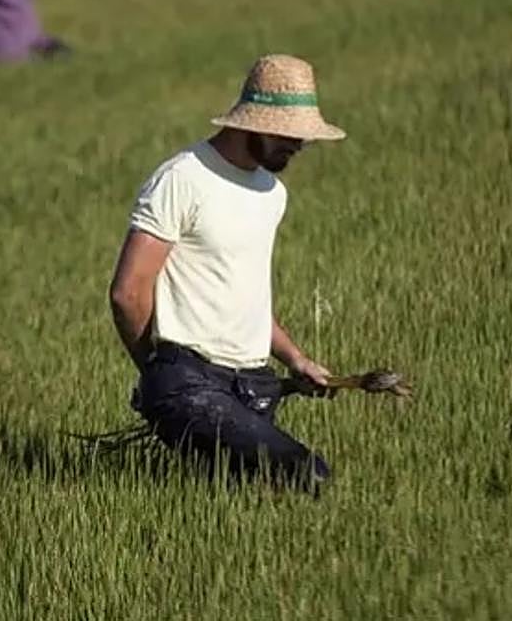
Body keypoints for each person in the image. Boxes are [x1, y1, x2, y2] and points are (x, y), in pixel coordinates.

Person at [108, 55, 347, 494]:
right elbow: (129, 292)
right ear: (252, 122)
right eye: (289, 134)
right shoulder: (182, 179)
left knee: (242, 500)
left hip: (253, 387)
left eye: (304, 138)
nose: (298, 146)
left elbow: (244, 299)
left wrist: (295, 360)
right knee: (307, 475)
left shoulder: (271, 193)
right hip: (187, 379)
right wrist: (156, 371)